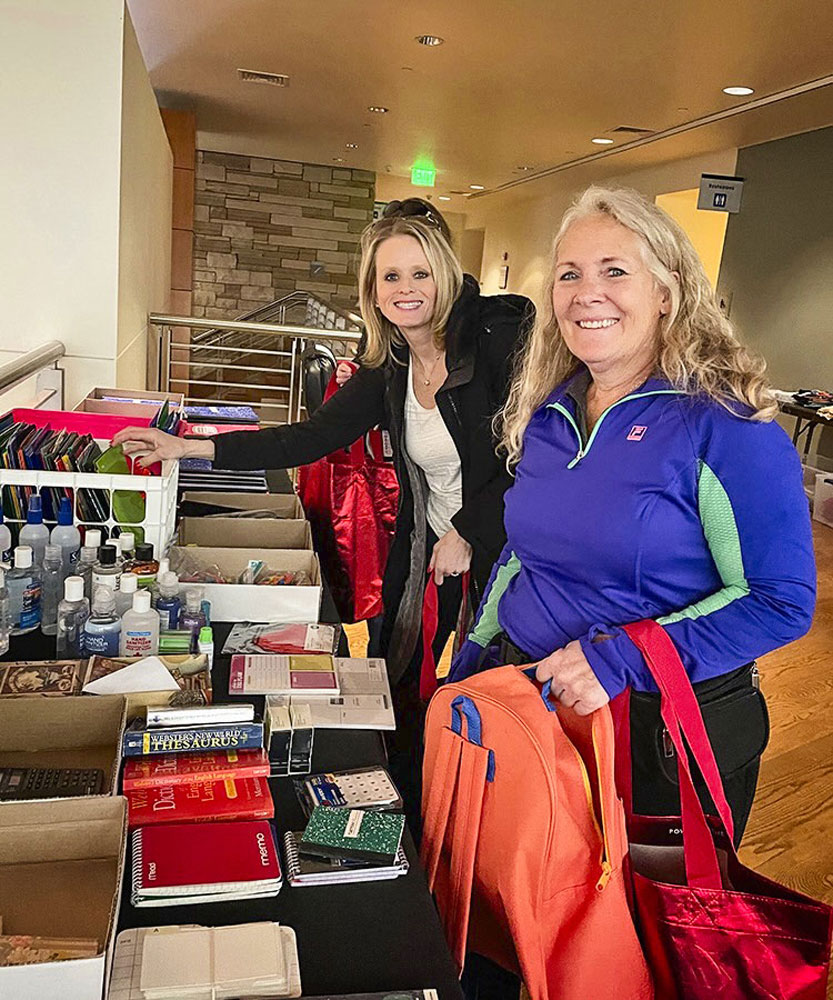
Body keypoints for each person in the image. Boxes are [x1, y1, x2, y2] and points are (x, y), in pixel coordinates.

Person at [114, 198, 533, 826]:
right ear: (373, 291)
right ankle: (410, 801)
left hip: (507, 552)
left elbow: (531, 458)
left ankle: (481, 813)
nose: (407, 290)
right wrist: (189, 446)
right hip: (424, 550)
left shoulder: (497, 348)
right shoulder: (391, 367)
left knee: (488, 680)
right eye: (391, 277)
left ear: (445, 274)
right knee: (403, 670)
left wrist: (470, 531)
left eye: (420, 273)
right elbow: (306, 439)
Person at [452, 185, 816, 845]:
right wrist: (476, 653)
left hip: (658, 734)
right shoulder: (552, 412)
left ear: (666, 292)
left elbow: (778, 600)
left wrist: (620, 660)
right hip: (535, 709)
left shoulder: (725, 423)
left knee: (635, 937)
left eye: (614, 271)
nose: (585, 291)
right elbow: (523, 554)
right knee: (527, 919)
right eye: (569, 273)